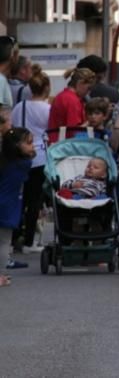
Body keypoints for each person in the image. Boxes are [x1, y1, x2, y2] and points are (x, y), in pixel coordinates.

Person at [11, 66, 50, 253]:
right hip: (40, 156)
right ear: (46, 89)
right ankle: (29, 242)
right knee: (35, 200)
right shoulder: (47, 109)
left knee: (21, 199)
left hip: (19, 156)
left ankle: (15, 237)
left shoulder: (20, 106)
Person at [1, 126, 35, 281]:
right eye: (28, 143)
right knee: (3, 242)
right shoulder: (22, 164)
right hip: (7, 206)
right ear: (16, 146)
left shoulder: (4, 161)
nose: (32, 147)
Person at [48, 68, 96, 143]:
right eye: (88, 88)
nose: (88, 92)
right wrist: (90, 122)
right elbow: (74, 132)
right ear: (80, 83)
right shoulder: (73, 101)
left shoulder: (61, 96)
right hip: (66, 147)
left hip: (55, 145)